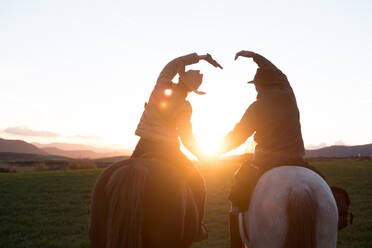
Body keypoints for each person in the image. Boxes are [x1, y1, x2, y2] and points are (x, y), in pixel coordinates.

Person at [218, 50, 324, 248]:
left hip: (265, 163)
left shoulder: (257, 106)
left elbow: (237, 136)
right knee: (323, 186)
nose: (256, 89)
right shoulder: (289, 96)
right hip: (297, 160)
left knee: (236, 198)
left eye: (256, 86)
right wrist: (254, 56)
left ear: (260, 86)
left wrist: (216, 151)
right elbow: (279, 73)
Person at [132, 52, 223, 241]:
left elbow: (174, 63)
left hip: (143, 146)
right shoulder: (184, 105)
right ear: (191, 90)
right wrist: (205, 157)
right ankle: (195, 228)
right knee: (198, 185)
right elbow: (187, 138)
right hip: (167, 151)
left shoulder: (160, 86)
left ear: (179, 78)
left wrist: (199, 57)